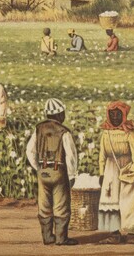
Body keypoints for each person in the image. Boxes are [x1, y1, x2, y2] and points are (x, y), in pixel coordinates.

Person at [25, 99, 79, 246]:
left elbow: (30, 151)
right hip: (59, 171)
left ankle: (48, 237)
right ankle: (61, 238)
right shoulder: (64, 132)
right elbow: (71, 155)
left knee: (44, 205)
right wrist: (72, 175)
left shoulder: (38, 129)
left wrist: (38, 167)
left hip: (43, 172)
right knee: (61, 205)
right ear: (60, 115)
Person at [97, 101, 134, 245]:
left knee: (132, 202)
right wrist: (102, 173)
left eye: (118, 114)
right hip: (110, 171)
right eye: (112, 114)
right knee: (111, 201)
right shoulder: (106, 133)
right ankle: (114, 234)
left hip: (128, 171)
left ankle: (131, 234)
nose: (115, 117)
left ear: (124, 115)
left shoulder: (130, 133)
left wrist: (132, 171)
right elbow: (102, 155)